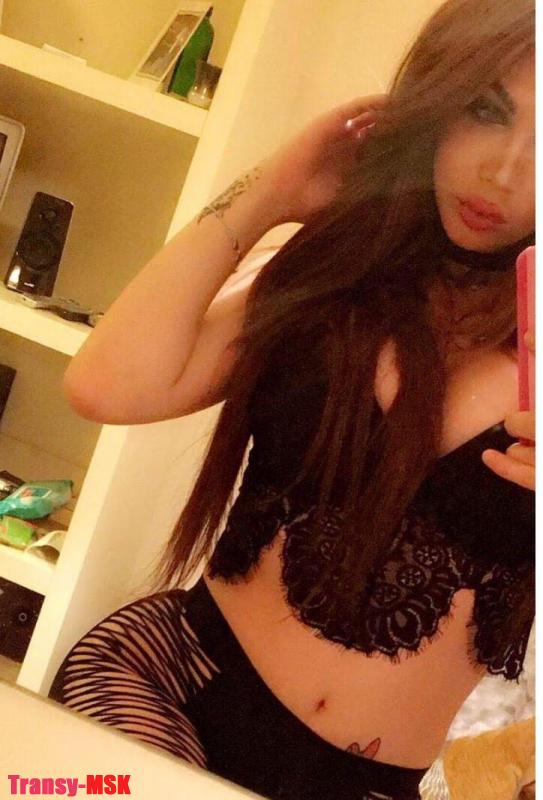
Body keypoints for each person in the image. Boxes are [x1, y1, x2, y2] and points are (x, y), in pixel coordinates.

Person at [48, 1, 535, 798]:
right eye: (486, 110)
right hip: (166, 682)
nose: (503, 172)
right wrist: (269, 192)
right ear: (436, 100)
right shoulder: (341, 273)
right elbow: (108, 385)